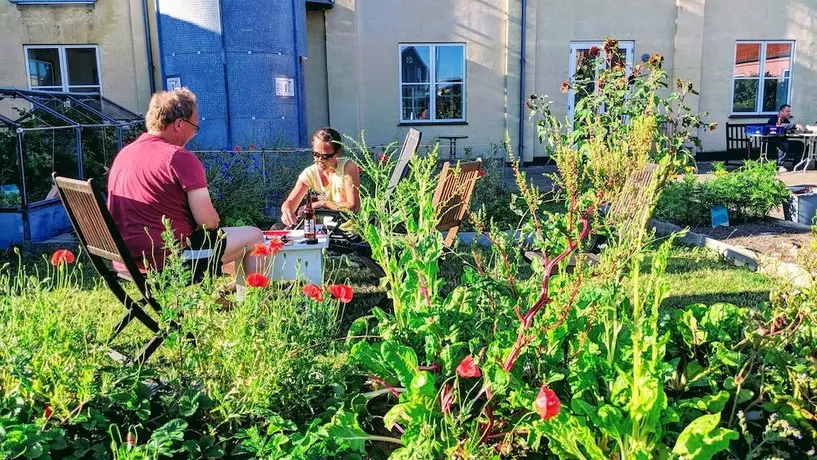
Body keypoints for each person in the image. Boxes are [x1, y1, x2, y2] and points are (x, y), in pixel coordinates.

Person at [107, 88, 264, 282]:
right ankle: (257, 303)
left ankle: (230, 291)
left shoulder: (126, 154)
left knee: (225, 243)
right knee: (254, 236)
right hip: (168, 259)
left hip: (125, 260)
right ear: (179, 124)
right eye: (194, 128)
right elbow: (208, 221)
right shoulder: (178, 158)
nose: (193, 135)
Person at [280, 128, 361, 230]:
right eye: (316, 155)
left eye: (326, 156)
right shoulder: (310, 173)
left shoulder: (347, 166)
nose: (320, 160)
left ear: (338, 153)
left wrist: (322, 204)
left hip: (351, 232)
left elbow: (352, 206)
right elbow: (290, 201)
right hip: (327, 230)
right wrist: (287, 211)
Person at [767, 104, 804, 172]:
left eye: (789, 111)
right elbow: (778, 127)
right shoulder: (773, 119)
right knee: (784, 144)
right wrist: (794, 125)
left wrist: (797, 129)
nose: (789, 113)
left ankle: (796, 165)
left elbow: (788, 128)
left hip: (783, 140)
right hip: (773, 142)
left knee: (800, 144)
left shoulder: (786, 120)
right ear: (781, 112)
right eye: (787, 111)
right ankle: (779, 166)